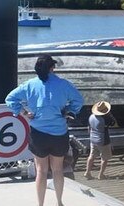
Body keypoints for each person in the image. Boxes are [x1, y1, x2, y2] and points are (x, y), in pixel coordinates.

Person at [5, 54, 83, 206]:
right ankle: (59, 202)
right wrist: (70, 111)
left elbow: (10, 99)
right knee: (58, 170)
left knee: (40, 171)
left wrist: (24, 113)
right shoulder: (63, 84)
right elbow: (78, 100)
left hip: (38, 133)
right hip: (59, 133)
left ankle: (40, 204)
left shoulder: (29, 85)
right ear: (52, 68)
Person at [84, 100, 115, 180]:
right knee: (104, 158)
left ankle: (87, 172)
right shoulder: (105, 119)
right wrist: (110, 115)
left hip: (93, 139)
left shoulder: (91, 116)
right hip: (103, 140)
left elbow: (89, 128)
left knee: (91, 155)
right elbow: (113, 123)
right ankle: (101, 175)